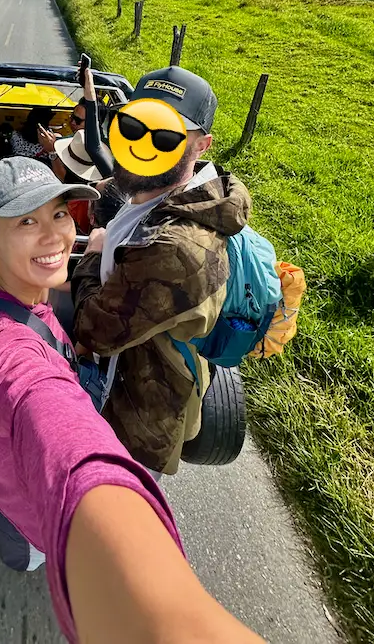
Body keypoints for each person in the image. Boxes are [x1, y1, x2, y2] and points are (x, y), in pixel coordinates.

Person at [0, 157, 263, 644]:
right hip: (30, 517)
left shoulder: (15, 297)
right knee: (26, 552)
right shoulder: (4, 348)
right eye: (26, 221)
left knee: (0, 503)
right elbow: (52, 416)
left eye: (59, 213)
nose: (53, 236)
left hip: (7, 472)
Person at [71, 66, 252, 476]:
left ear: (202, 145)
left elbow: (93, 331)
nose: (140, 145)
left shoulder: (178, 248)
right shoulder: (167, 196)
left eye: (166, 136)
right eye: (132, 126)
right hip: (125, 372)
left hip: (133, 420)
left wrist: (91, 254)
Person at [38, 63, 112, 182]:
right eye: (72, 117)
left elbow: (64, 180)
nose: (71, 122)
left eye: (77, 120)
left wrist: (52, 152)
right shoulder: (78, 137)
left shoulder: (98, 150)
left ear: (94, 124)